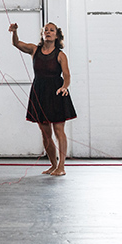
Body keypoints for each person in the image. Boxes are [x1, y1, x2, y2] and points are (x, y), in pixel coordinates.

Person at [9, 22, 76, 176]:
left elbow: (66, 75)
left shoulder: (60, 55)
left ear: (57, 35)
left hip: (57, 93)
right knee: (45, 133)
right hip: (39, 92)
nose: (48, 32)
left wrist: (65, 87)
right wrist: (14, 32)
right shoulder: (34, 50)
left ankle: (61, 166)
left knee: (59, 131)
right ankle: (53, 165)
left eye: (51, 30)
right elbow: (17, 44)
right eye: (46, 30)